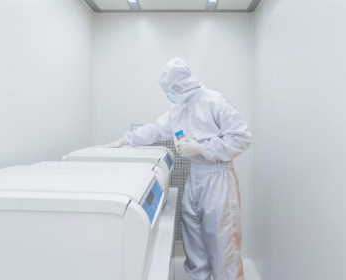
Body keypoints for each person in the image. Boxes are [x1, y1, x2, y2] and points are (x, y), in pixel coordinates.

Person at [95, 57, 251, 280]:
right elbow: (156, 130)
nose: (168, 94)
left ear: (179, 85)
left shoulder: (216, 102)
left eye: (169, 89)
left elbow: (242, 138)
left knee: (222, 240)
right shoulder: (178, 109)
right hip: (195, 176)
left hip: (218, 177)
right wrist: (124, 140)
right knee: (193, 237)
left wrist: (202, 148)